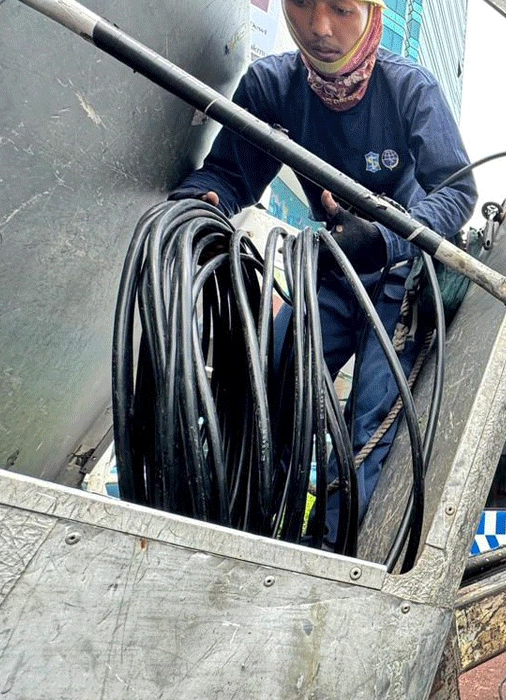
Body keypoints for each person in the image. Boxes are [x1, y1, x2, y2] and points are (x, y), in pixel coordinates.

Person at [170, 0, 476, 547]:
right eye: (303, 4)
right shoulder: (272, 88)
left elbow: (457, 191)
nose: (319, 28)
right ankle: (243, 535)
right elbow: (228, 174)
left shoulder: (410, 90)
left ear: (373, 12)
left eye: (341, 8)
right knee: (274, 379)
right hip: (332, 272)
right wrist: (198, 203)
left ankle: (331, 559)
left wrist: (384, 233)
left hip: (398, 279)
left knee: (366, 427)